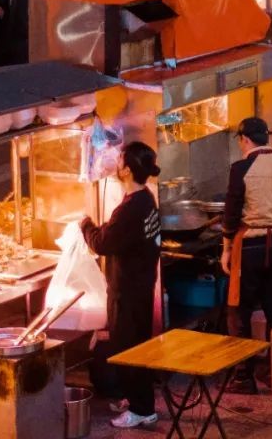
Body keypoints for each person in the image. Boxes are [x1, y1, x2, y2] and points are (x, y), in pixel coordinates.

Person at [80, 142, 162, 429]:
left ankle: (142, 409)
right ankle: (136, 398)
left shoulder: (132, 208)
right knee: (135, 345)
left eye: (119, 160)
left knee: (128, 347)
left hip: (127, 290)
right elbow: (119, 236)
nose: (115, 163)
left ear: (127, 170)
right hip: (140, 286)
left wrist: (85, 224)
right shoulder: (145, 199)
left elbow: (102, 243)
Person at [221, 117, 272, 386]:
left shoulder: (241, 168)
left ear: (244, 139)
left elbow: (231, 214)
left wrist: (225, 248)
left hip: (248, 247)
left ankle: (243, 376)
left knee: (239, 311)